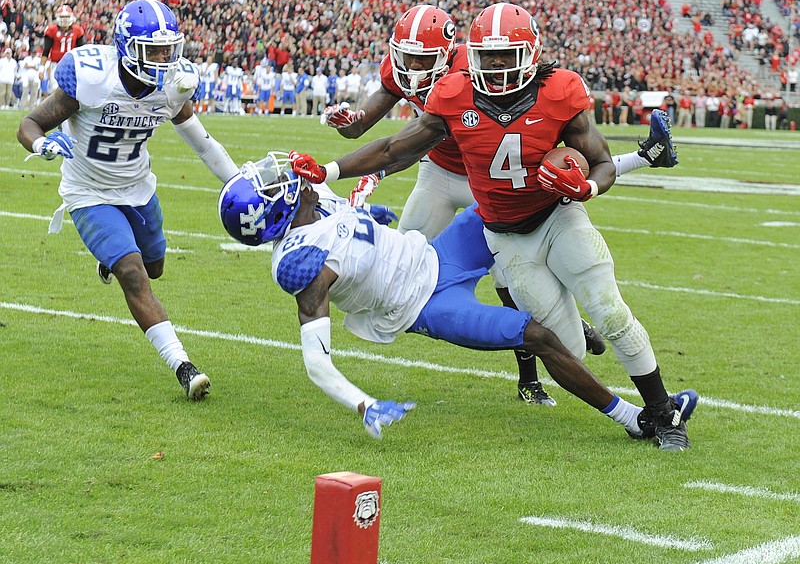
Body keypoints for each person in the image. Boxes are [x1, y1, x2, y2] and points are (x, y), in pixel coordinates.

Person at [288, 3, 694, 451]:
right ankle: (614, 396)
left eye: (509, 53)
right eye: (489, 55)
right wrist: (327, 171)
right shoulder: (454, 93)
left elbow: (599, 161)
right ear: (472, 54)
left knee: (611, 313)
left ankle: (663, 413)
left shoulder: (560, 90)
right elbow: (393, 149)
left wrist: (588, 190)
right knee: (567, 347)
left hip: (557, 216)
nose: (497, 64)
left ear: (532, 51)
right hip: (503, 234)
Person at [217, 152, 697, 440]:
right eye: (271, 182)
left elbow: (353, 224)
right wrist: (364, 404)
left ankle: (638, 158)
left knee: (509, 195)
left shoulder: (313, 202)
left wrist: (373, 214)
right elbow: (316, 362)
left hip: (435, 254)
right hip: (427, 306)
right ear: (271, 215)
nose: (279, 174)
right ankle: (635, 418)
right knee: (536, 336)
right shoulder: (303, 265)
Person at [17, 0, 240, 400]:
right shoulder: (91, 77)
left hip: (139, 188)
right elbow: (29, 123)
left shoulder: (172, 85)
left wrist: (238, 182)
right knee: (133, 273)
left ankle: (112, 262)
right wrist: (42, 144)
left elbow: (204, 146)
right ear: (125, 46)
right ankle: (184, 367)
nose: (162, 59)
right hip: (88, 191)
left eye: (167, 50)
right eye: (152, 50)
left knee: (154, 268)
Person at [40, 5, 85, 98]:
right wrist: (41, 69)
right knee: (55, 88)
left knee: (71, 91)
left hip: (71, 65)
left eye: (67, 17)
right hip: (56, 64)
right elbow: (46, 50)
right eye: (62, 17)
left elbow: (81, 51)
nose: (64, 19)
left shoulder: (77, 30)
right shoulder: (51, 30)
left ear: (71, 17)